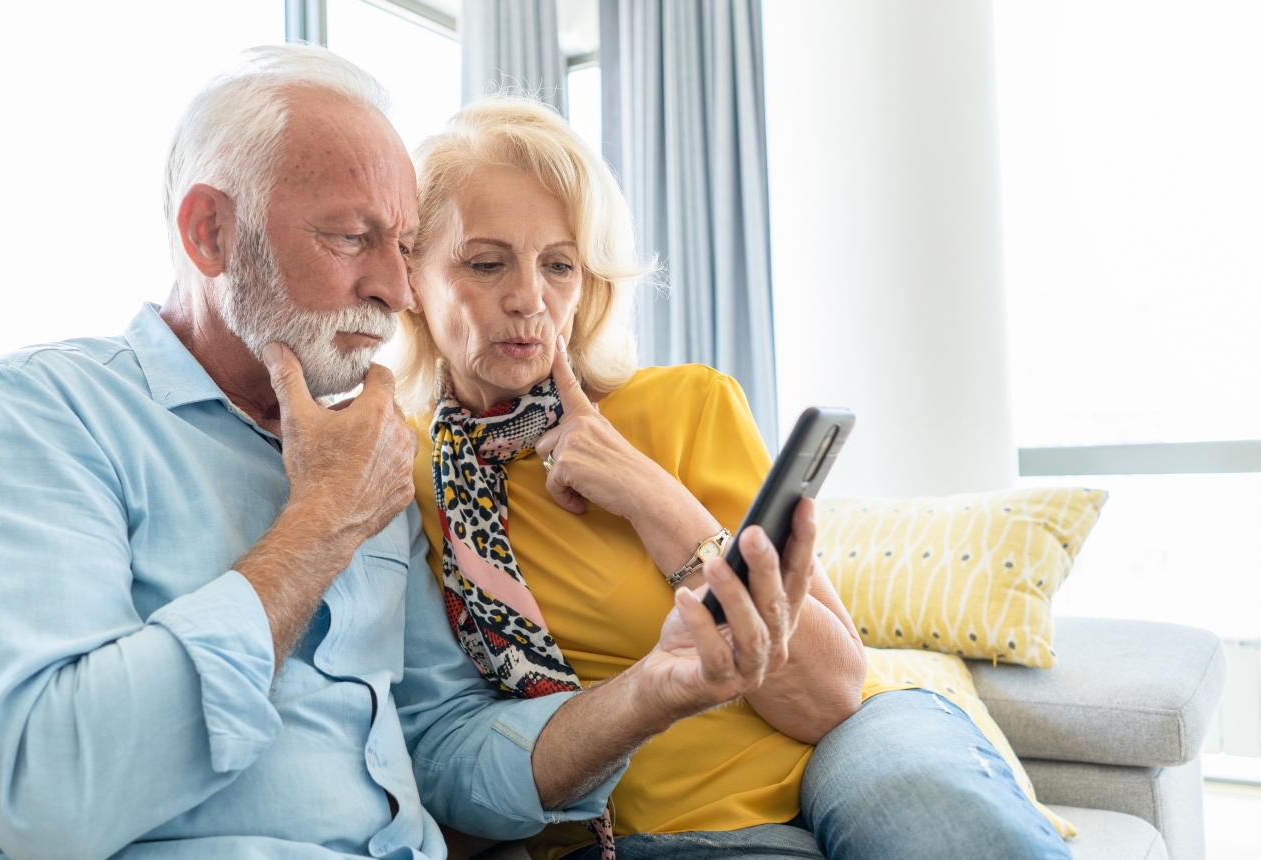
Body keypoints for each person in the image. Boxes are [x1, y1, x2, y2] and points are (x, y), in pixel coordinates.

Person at [0, 46, 832, 860]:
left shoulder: (370, 459)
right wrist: (319, 526)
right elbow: (52, 794)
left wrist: (654, 692)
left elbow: (442, 755)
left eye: (401, 248)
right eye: (351, 238)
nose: (397, 291)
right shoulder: (42, 413)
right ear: (210, 234)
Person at [398, 95, 1074, 860]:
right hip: (653, 828)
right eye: (487, 263)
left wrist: (652, 496)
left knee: (936, 820)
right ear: (411, 276)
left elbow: (830, 695)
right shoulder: (404, 477)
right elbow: (451, 748)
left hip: (852, 744)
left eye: (559, 264)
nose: (530, 298)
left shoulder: (684, 403)